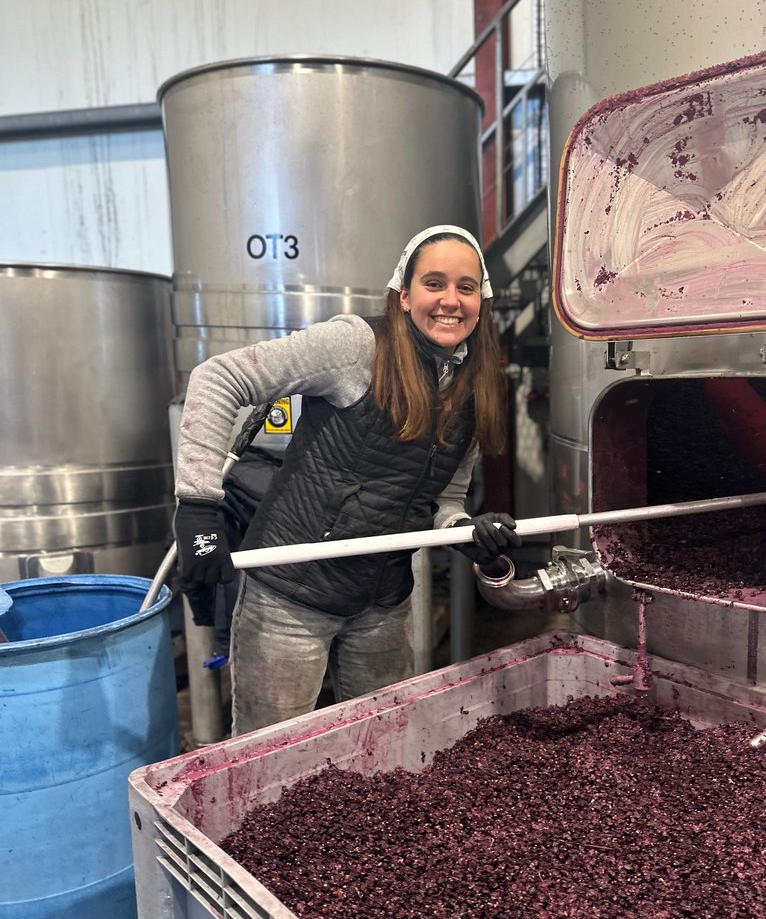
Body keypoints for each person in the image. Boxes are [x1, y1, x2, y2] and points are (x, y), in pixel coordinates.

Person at [173, 225, 519, 734]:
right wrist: (199, 507)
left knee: (380, 750)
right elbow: (219, 377)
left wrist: (468, 532)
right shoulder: (356, 346)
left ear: (481, 302)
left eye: (466, 288)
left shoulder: (475, 386)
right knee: (269, 757)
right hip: (290, 597)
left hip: (382, 601)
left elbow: (443, 498)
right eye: (435, 283)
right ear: (404, 295)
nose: (451, 300)